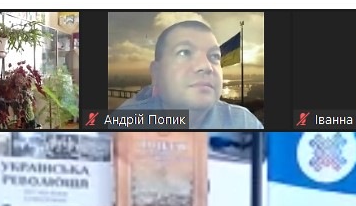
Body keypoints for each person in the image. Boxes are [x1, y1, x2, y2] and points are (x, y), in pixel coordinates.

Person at [111, 19, 263, 130]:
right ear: (156, 73)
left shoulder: (244, 122)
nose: (206, 66)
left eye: (214, 56)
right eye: (184, 52)